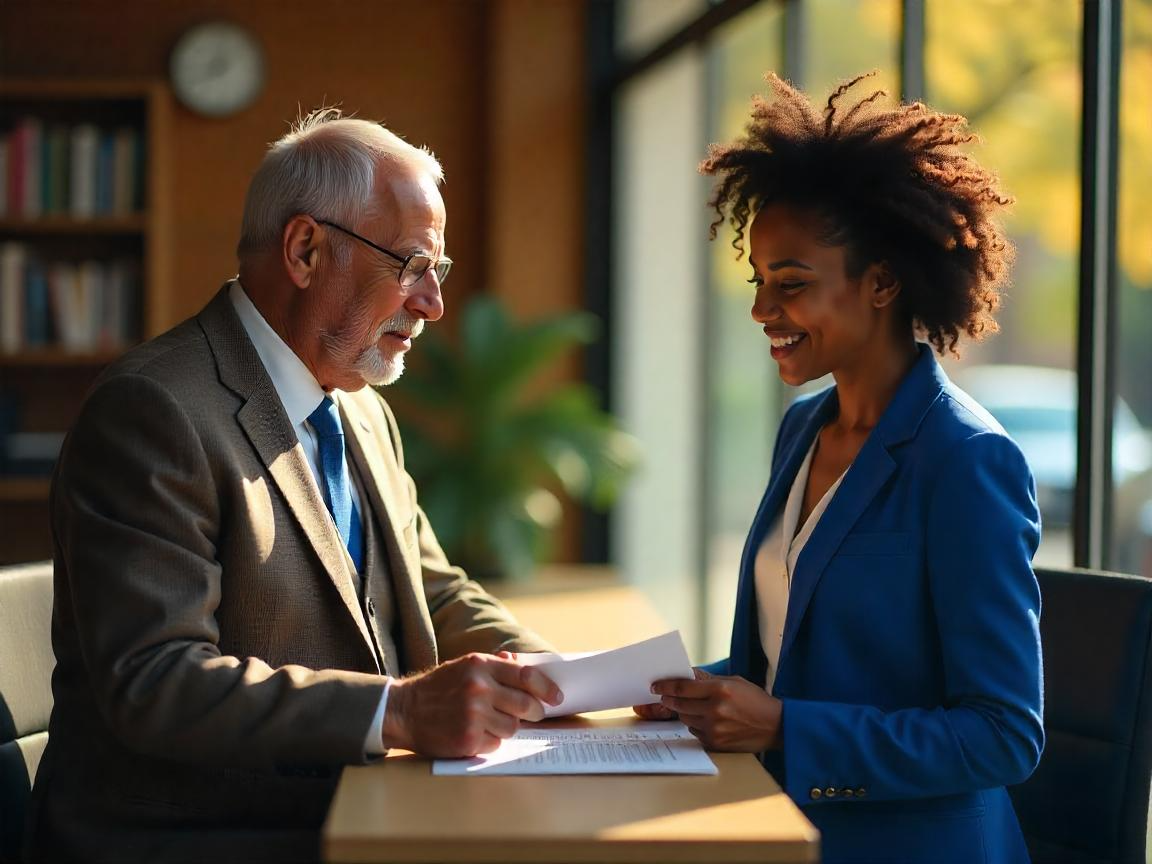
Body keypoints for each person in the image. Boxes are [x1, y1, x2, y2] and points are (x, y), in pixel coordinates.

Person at [25, 108, 563, 864]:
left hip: (346, 808)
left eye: (436, 274)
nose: (431, 304)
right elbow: (156, 678)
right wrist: (401, 710)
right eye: (411, 267)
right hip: (193, 838)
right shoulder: (152, 409)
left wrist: (559, 683)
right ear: (306, 250)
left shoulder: (364, 411)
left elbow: (431, 590)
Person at [641, 73, 1044, 863]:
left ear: (883, 282)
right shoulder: (802, 431)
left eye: (791, 285)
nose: (762, 311)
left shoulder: (967, 461)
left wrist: (785, 727)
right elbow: (806, 651)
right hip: (779, 827)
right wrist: (689, 690)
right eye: (759, 283)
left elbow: (1003, 735)